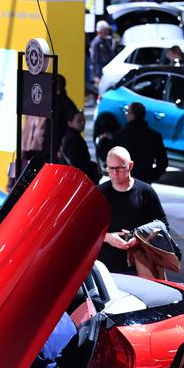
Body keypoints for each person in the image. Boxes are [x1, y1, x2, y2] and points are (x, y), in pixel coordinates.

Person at [98, 146, 168, 274]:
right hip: (105, 267)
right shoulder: (99, 193)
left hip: (140, 265)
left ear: (130, 166)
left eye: (119, 168)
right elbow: (85, 229)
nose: (114, 173)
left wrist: (139, 237)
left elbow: (163, 224)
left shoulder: (145, 192)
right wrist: (107, 237)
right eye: (110, 169)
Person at [111, 102, 168, 184]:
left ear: (132, 115)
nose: (126, 114)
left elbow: (110, 157)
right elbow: (163, 162)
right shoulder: (154, 136)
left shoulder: (120, 135)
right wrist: (152, 175)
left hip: (124, 181)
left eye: (127, 112)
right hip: (145, 181)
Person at [57, 108, 100, 182]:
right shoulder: (73, 139)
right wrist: (94, 167)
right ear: (70, 123)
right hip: (76, 178)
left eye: (83, 120)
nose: (82, 123)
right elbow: (78, 163)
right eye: (79, 121)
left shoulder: (71, 136)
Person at [89, 20, 117, 91]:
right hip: (101, 71)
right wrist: (96, 76)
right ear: (99, 31)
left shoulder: (107, 40)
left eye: (106, 31)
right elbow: (94, 60)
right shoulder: (96, 43)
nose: (106, 33)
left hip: (109, 69)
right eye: (104, 31)